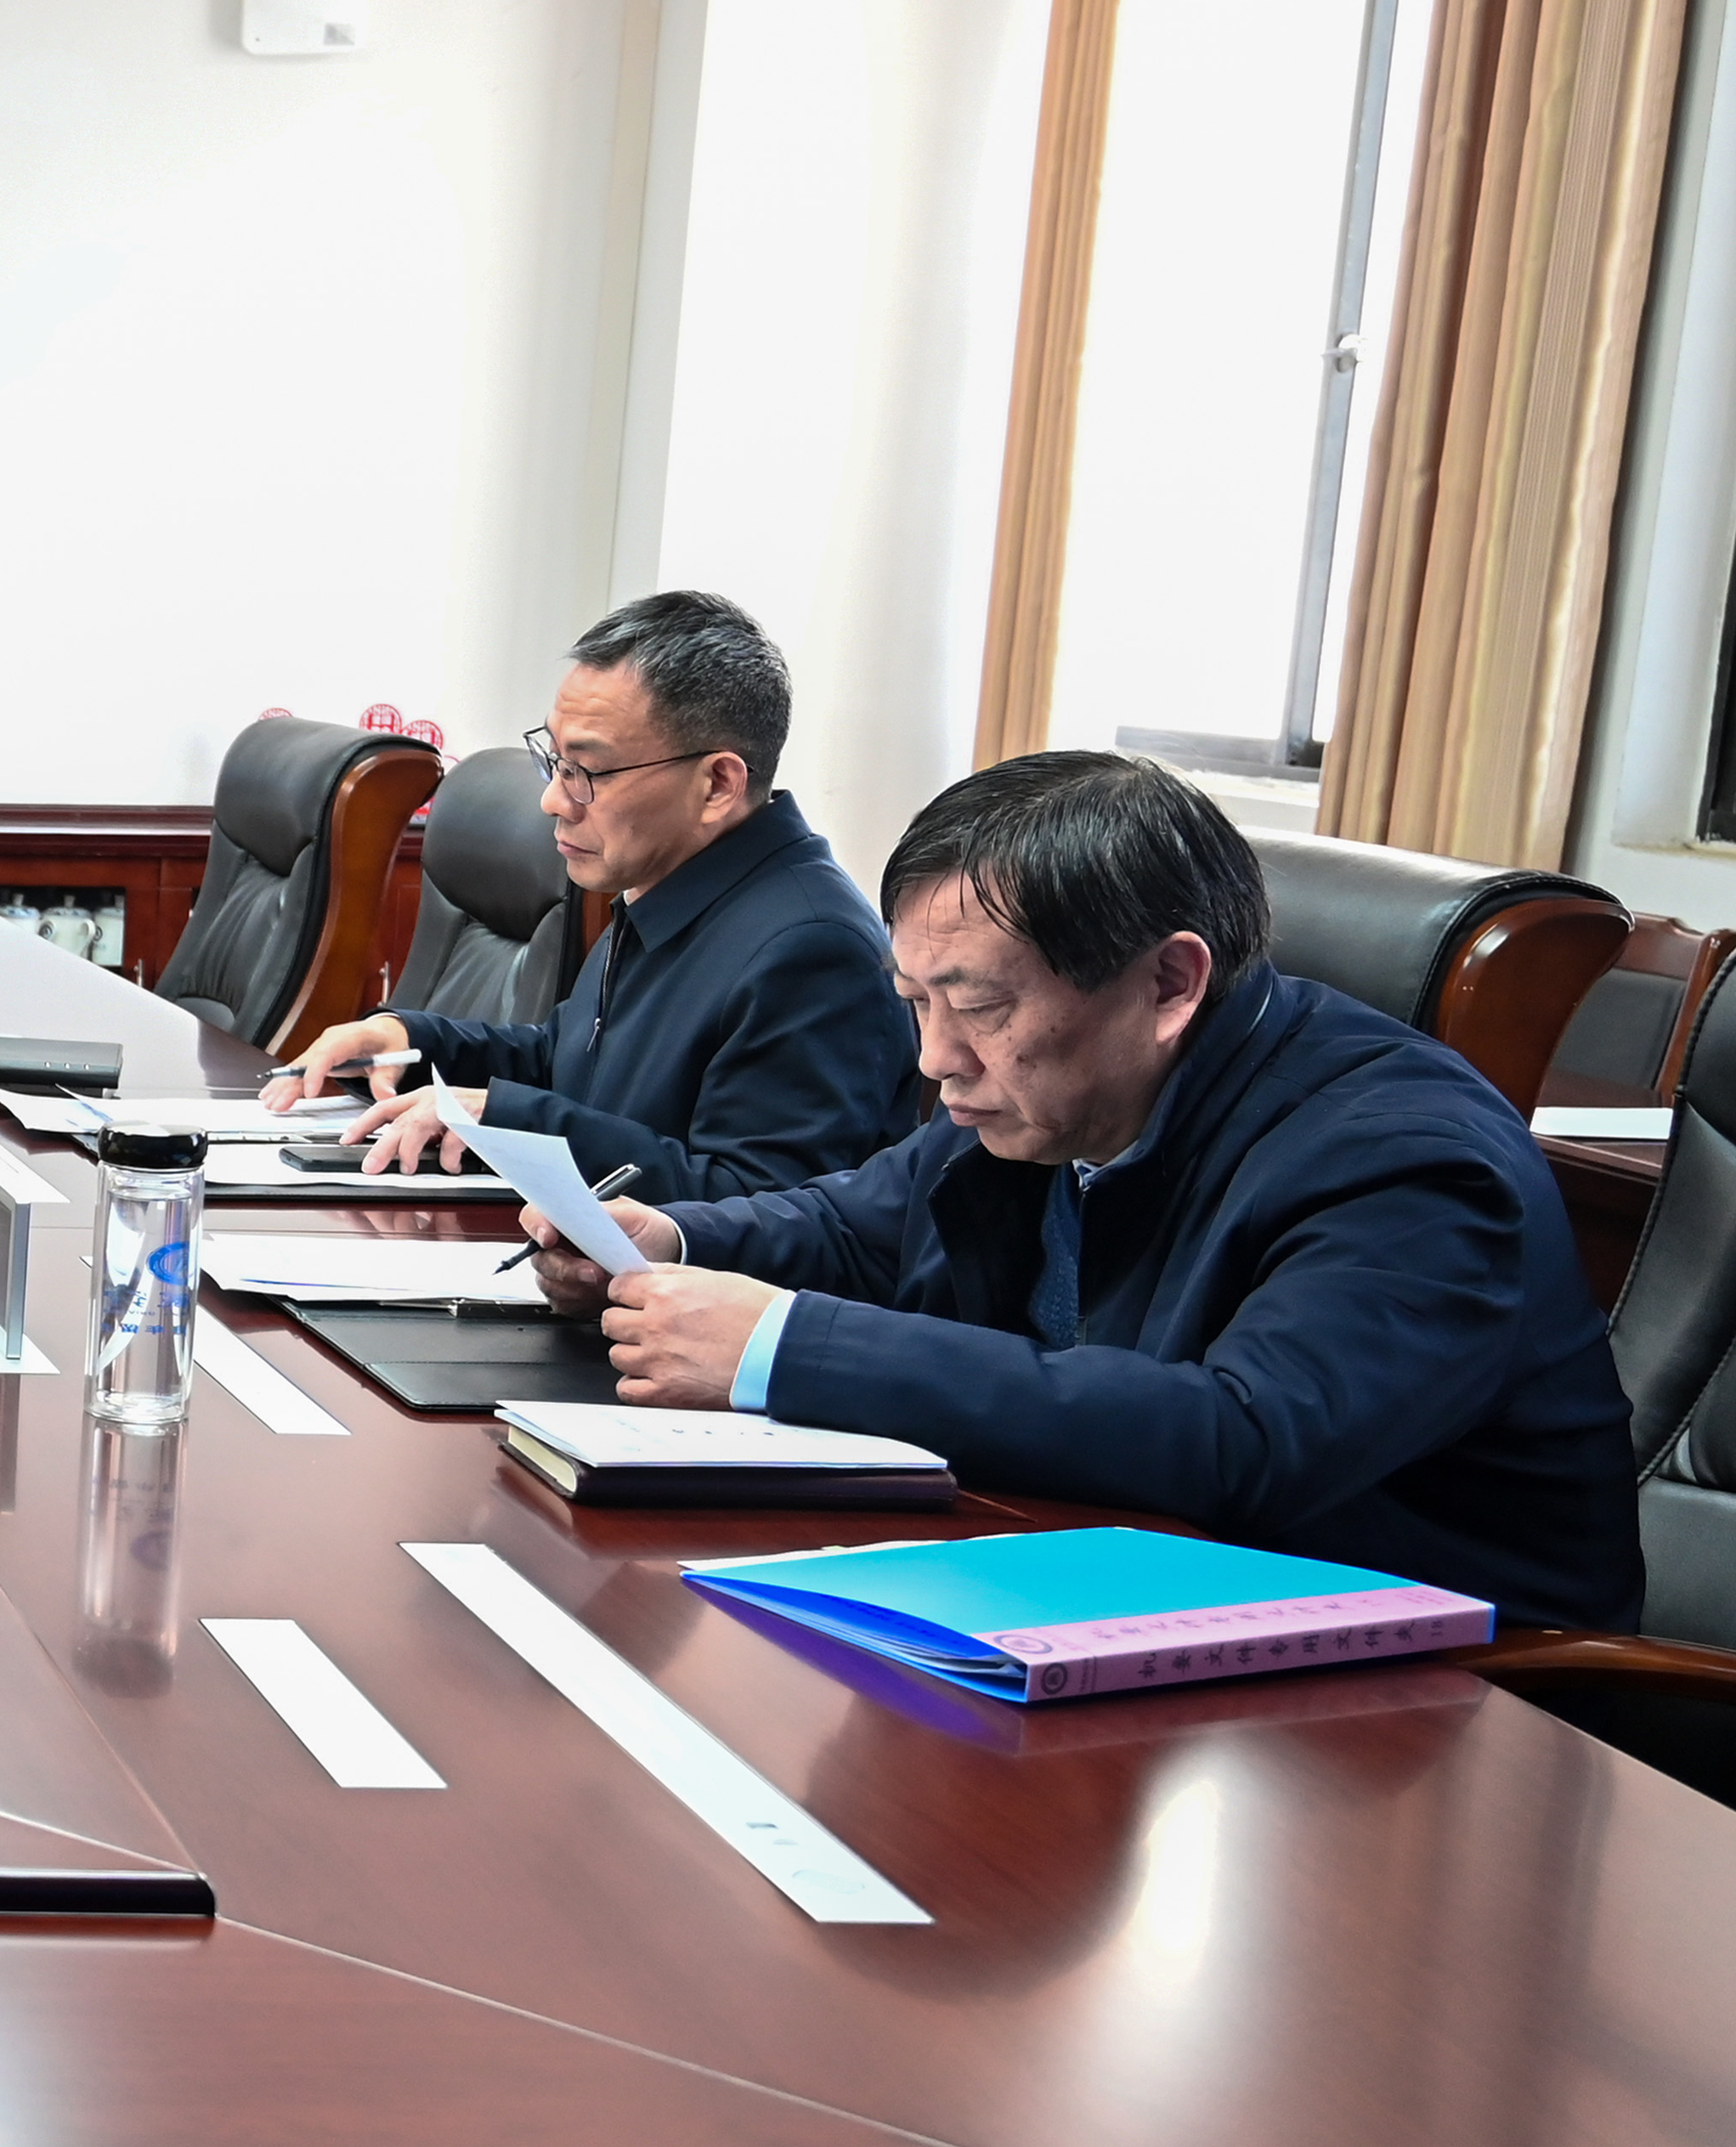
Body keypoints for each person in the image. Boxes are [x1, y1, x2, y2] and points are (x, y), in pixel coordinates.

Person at [530, 749, 1639, 1629]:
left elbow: (1245, 1440)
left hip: (1427, 1695)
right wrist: (664, 1241)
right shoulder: (1046, 1095)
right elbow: (860, 1225)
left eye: (978, 1006)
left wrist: (781, 1346)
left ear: (1170, 982)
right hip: (1115, 1592)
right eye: (916, 1001)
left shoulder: (1408, 1159)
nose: (937, 1058)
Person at [269, 592, 908, 1195]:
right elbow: (571, 1065)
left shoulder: (812, 951)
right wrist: (409, 1043)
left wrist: (515, 1122)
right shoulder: (676, 883)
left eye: (588, 771)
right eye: (555, 761)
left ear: (717, 784)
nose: (553, 799)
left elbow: (760, 1202)